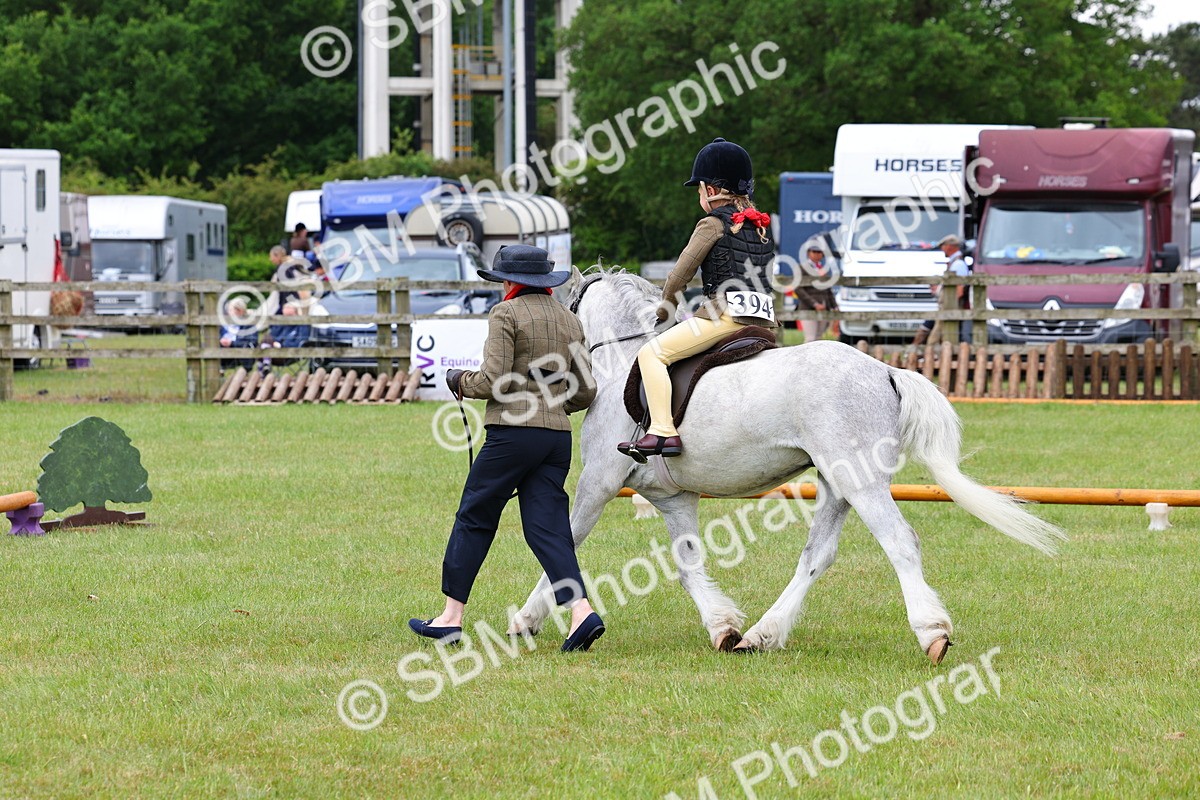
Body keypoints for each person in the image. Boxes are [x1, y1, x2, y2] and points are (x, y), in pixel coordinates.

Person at [409, 245, 605, 652]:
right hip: (555, 439)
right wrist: (553, 406)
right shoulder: (570, 320)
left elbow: (493, 379)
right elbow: (586, 390)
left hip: (511, 435)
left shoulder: (506, 314)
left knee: (475, 516)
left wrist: (459, 381)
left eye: (502, 282)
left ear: (512, 282)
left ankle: (450, 617)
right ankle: (581, 611)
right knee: (547, 528)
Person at [617, 137, 778, 460]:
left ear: (711, 189)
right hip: (765, 320)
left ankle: (662, 430)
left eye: (699, 188)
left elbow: (679, 275)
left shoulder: (712, 224)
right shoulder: (760, 226)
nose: (698, 194)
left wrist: (666, 310)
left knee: (652, 354)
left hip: (724, 317)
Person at [913, 234, 972, 346]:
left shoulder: (958, 264)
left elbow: (959, 289)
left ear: (949, 246)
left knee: (936, 337)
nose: (942, 249)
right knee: (936, 333)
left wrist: (950, 305)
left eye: (943, 246)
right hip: (946, 307)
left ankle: (927, 355)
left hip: (949, 307)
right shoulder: (955, 262)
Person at [792, 244, 837, 343]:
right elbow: (798, 289)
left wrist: (834, 305)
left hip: (824, 306)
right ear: (809, 253)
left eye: (819, 252)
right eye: (814, 252)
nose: (817, 254)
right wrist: (814, 304)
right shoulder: (801, 268)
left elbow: (828, 289)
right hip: (808, 307)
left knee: (818, 338)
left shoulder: (823, 269)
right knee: (810, 338)